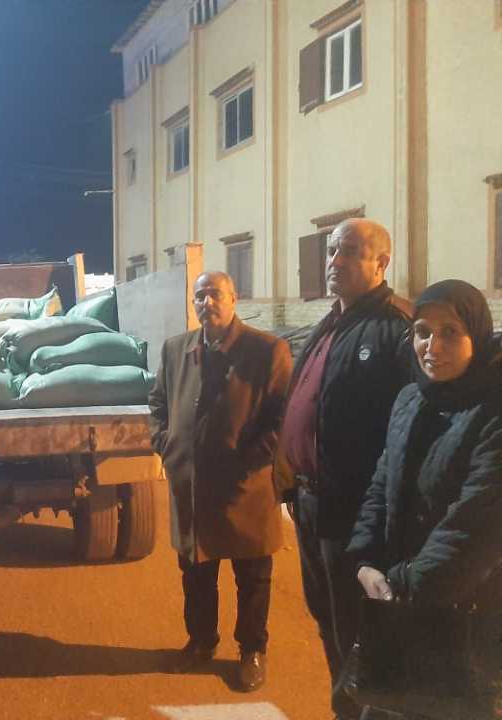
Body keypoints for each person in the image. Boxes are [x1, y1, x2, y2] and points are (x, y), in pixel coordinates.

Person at [273, 219, 413, 719]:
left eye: (350, 251)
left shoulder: (396, 329)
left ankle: (360, 712)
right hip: (311, 504)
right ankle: (347, 709)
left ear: (381, 263)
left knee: (358, 627)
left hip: (356, 512)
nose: (335, 261)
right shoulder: (331, 323)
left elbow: (412, 427)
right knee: (327, 617)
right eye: (332, 250)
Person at [347, 279, 502, 719]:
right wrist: (364, 561)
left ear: (477, 335)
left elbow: (474, 526)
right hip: (400, 603)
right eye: (422, 332)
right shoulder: (410, 398)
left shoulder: (493, 412)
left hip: (466, 618)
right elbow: (381, 484)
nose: (432, 346)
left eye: (450, 332)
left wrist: (401, 583)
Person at [149, 271, 292, 692]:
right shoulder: (176, 349)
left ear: (234, 298)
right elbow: (157, 403)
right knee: (196, 573)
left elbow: (283, 417)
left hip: (245, 486)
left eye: (215, 294)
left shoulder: (266, 350)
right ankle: (201, 642)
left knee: (252, 576)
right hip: (191, 486)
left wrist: (252, 459)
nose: (206, 302)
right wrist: (166, 443)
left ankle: (252, 651)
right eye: (200, 296)